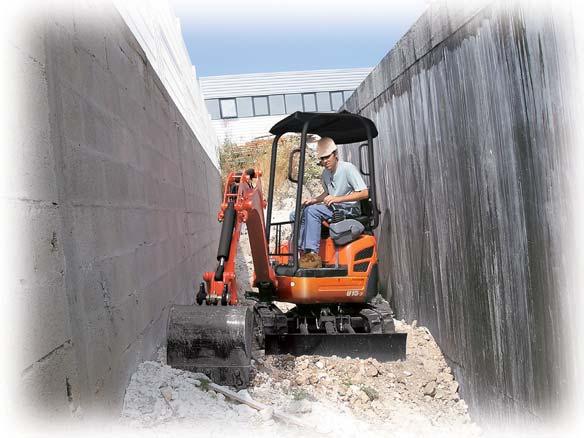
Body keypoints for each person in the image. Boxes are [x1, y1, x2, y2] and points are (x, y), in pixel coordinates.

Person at [294, 137, 369, 268]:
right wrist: (314, 200)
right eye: (322, 159)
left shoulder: (347, 168)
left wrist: (337, 199)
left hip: (349, 210)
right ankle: (301, 251)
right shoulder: (326, 174)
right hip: (334, 207)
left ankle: (312, 254)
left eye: (327, 157)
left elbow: (364, 193)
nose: (325, 161)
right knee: (298, 213)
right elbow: (327, 193)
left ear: (335, 154)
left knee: (312, 211)